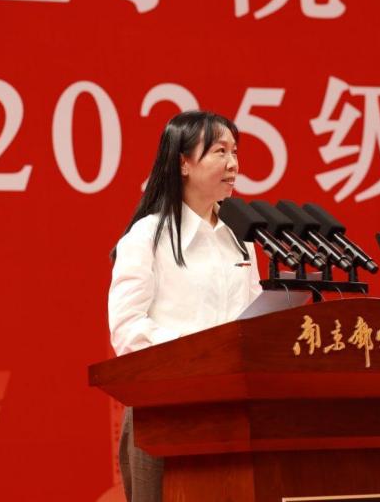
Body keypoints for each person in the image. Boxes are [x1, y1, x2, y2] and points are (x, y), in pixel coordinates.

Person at [108, 110, 262, 502]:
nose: (233, 164)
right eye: (220, 151)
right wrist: (199, 354)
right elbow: (127, 330)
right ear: (183, 163)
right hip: (163, 414)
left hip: (234, 415)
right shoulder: (146, 237)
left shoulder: (241, 240)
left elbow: (253, 322)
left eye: (235, 151)